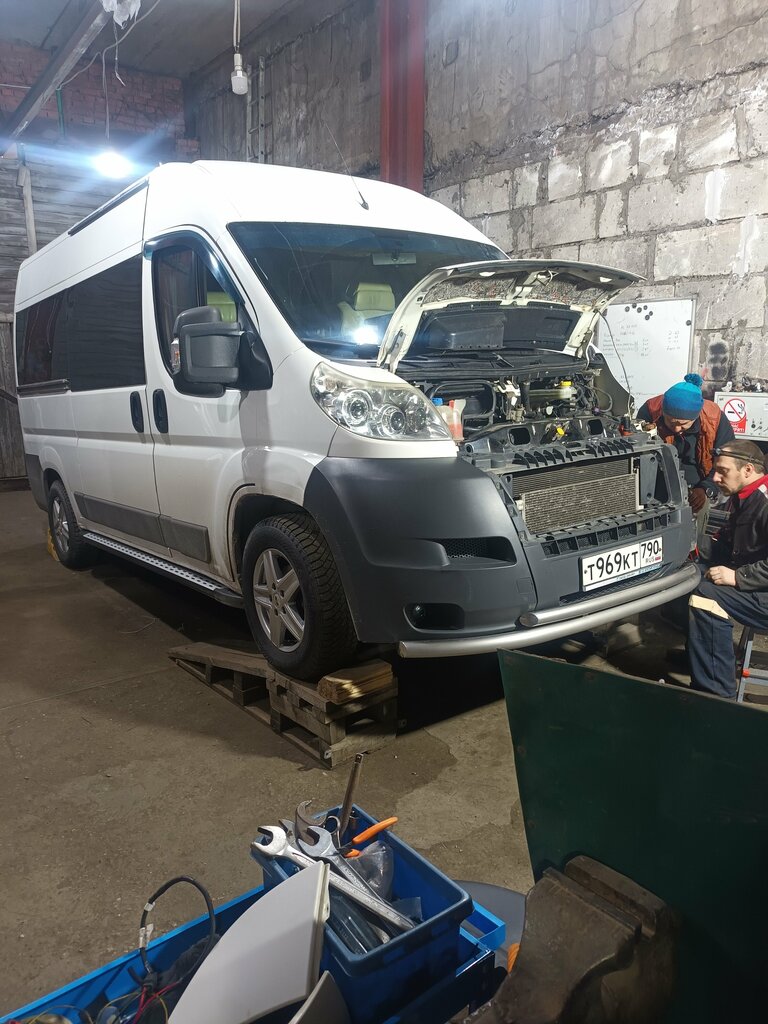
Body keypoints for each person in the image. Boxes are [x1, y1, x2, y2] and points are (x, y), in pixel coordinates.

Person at [687, 440, 768, 698]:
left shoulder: (764, 501)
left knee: (705, 596)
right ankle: (700, 659)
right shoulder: (745, 497)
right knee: (688, 577)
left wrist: (738, 576)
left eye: (723, 471)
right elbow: (731, 542)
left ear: (748, 470)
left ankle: (717, 692)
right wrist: (689, 546)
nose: (715, 478)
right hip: (758, 584)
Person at [638, 373, 734, 523]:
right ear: (663, 412)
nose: (676, 429)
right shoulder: (650, 412)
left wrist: (706, 489)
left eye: (683, 424)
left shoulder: (715, 419)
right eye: (671, 422)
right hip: (657, 485)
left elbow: (726, 460)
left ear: (695, 418)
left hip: (700, 483)